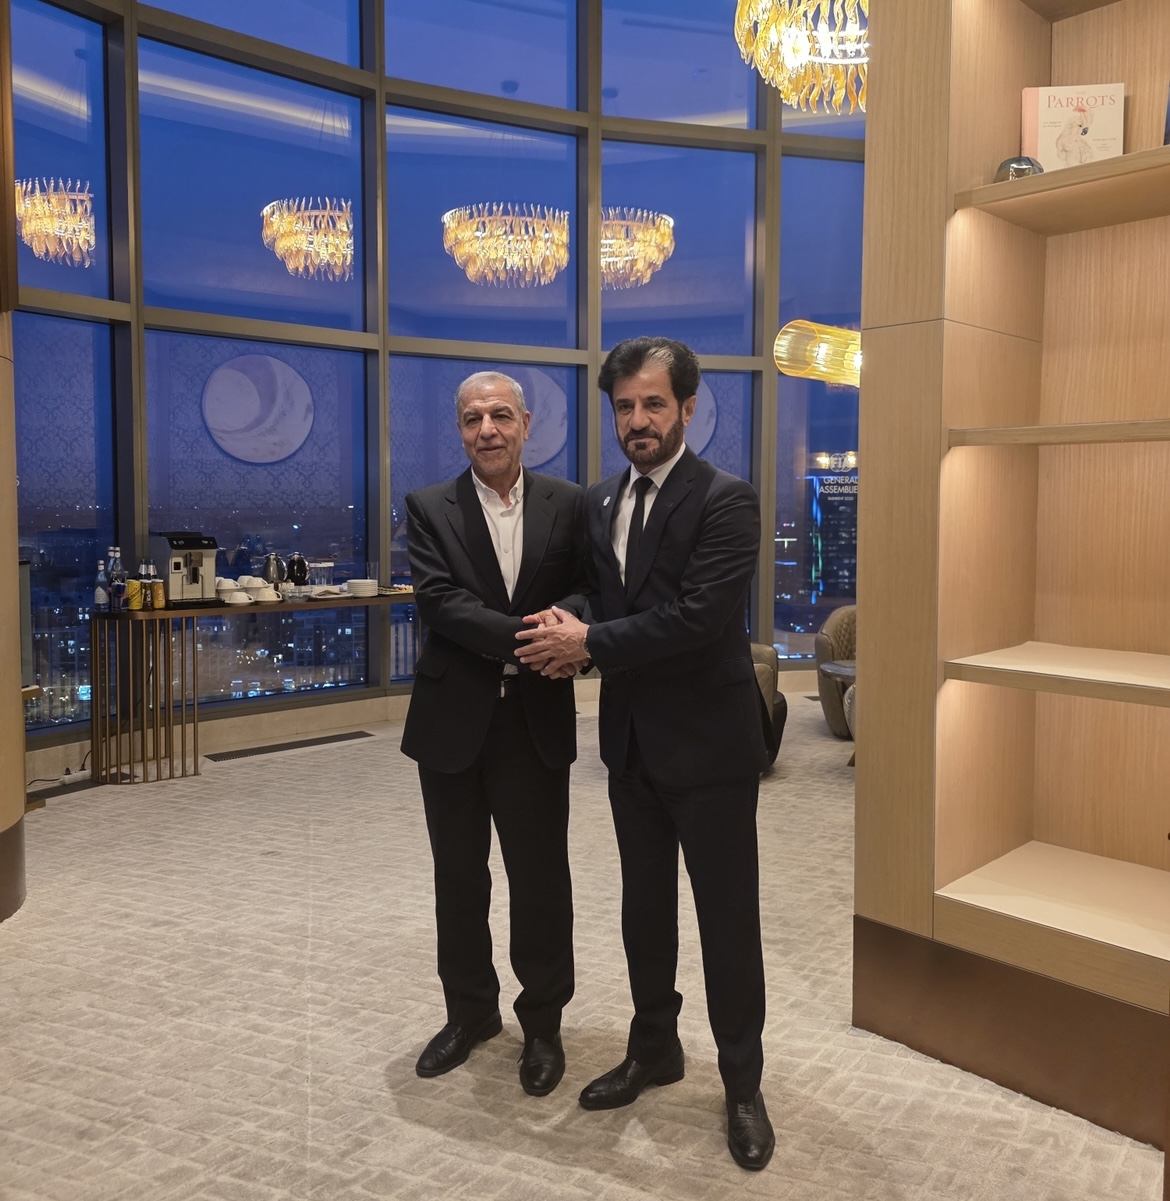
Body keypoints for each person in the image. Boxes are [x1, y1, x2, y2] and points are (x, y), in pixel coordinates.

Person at [515, 337, 777, 1169]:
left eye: (654, 403)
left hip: (711, 745)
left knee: (726, 920)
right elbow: (607, 593)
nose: (638, 420)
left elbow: (698, 616)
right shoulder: (601, 501)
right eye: (624, 405)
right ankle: (654, 1047)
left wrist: (589, 642)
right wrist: (567, 617)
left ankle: (742, 1082)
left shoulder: (728, 500)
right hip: (629, 743)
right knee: (645, 910)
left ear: (688, 408)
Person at [401, 370, 587, 1097]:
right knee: (459, 876)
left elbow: (589, 589)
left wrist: (567, 624)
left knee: (540, 879)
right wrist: (537, 639)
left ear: (526, 424)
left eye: (501, 415)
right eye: (473, 418)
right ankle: (470, 1013)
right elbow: (440, 602)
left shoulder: (569, 503)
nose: (488, 430)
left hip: (534, 719)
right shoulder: (429, 507)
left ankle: (542, 1023)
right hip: (453, 720)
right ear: (460, 429)